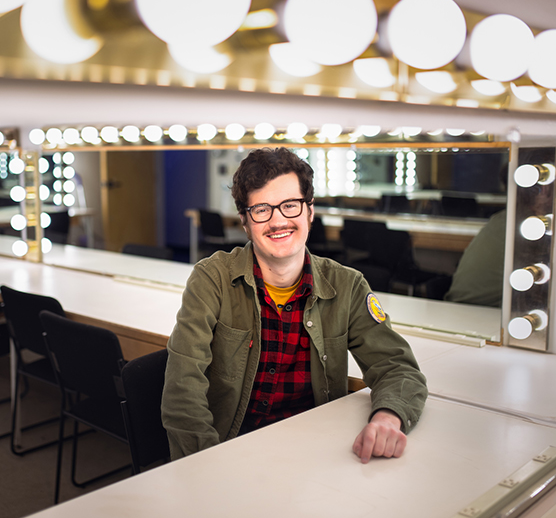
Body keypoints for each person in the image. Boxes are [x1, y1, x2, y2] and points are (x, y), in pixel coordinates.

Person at [161, 147, 427, 464]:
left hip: (318, 456)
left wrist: (387, 418)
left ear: (310, 211)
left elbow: (397, 368)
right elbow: (182, 392)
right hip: (233, 453)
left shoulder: (347, 286)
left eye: (290, 205)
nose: (278, 221)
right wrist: (208, 467)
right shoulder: (212, 279)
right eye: (261, 209)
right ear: (245, 222)